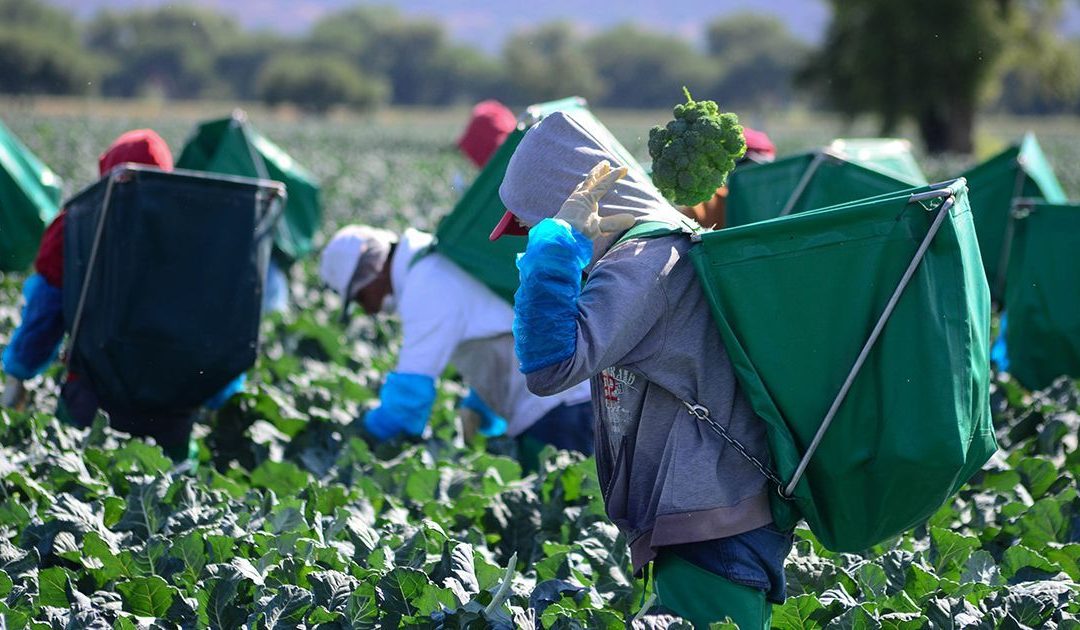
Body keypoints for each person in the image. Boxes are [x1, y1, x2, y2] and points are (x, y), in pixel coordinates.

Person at [491, 111, 792, 629]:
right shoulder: (652, 251)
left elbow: (549, 366)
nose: (530, 241)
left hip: (709, 524)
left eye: (534, 225)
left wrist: (559, 244)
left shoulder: (644, 261)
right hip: (707, 518)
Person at [0, 129, 243, 463]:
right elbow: (216, 327)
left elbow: (44, 314)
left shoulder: (77, 223)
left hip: (90, 409)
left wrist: (19, 372)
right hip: (172, 419)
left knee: (80, 490)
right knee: (169, 502)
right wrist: (222, 398)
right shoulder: (196, 238)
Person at [319, 224, 592, 469]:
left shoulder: (426, 283)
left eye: (360, 298)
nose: (366, 310)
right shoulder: (433, 263)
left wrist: (359, 437)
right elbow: (493, 325)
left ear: (371, 271)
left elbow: (408, 403)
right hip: (563, 399)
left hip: (558, 410)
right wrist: (481, 402)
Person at [680, 126, 776, 229]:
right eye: (744, 166)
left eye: (760, 169)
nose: (754, 178)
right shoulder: (702, 209)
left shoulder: (788, 199)